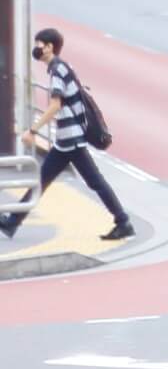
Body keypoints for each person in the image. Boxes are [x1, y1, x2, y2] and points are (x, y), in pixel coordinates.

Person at [3, 29, 134, 241]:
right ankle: (12, 222)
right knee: (44, 181)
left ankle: (123, 221)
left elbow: (55, 105)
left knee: (94, 182)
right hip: (66, 140)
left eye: (39, 44)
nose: (36, 48)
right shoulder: (61, 67)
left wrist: (33, 130)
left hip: (71, 140)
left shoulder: (57, 70)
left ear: (49, 47)